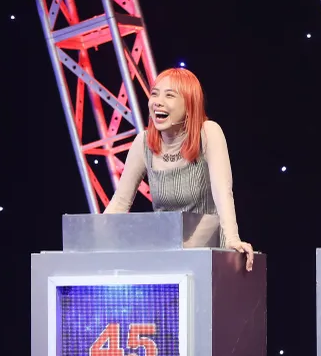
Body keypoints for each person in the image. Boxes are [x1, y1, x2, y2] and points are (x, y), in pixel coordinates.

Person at [104, 67, 255, 271]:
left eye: (169, 95)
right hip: (165, 258)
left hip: (207, 255)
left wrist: (233, 239)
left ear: (189, 104)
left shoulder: (208, 133)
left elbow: (223, 191)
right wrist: (95, 243)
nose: (157, 102)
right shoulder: (143, 142)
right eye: (155, 94)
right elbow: (119, 204)